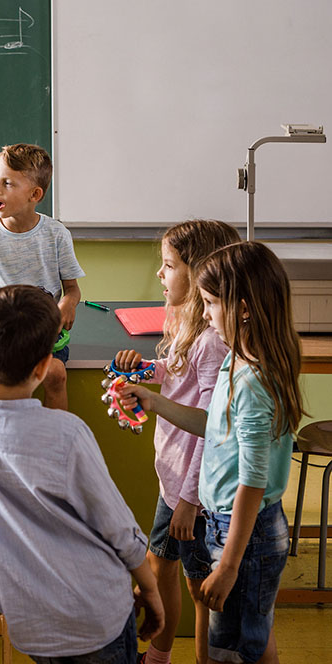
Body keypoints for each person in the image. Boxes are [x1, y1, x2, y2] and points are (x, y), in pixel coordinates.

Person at [0, 284, 164, 662]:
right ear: (43, 368)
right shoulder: (67, 434)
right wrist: (151, 592)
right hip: (95, 617)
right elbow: (119, 530)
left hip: (31, 622)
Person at [119, 242, 303, 664]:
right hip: (230, 528)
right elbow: (213, 426)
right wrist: (155, 401)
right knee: (243, 646)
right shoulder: (236, 361)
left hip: (245, 537)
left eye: (209, 303)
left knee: (234, 652)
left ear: (241, 308)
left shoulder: (254, 382)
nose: (203, 314)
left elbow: (253, 483)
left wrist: (229, 566)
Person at [111, 220, 239, 664]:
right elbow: (175, 373)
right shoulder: (185, 324)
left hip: (194, 491)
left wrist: (188, 501)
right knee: (160, 565)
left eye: (168, 266)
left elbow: (209, 426)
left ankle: (203, 658)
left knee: (199, 585)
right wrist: (146, 370)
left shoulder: (212, 344)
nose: (161, 276)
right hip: (174, 482)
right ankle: (158, 657)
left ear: (200, 271)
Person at [0, 143, 84, 410]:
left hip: (41, 333)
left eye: (8, 183)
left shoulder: (56, 234)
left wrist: (68, 305)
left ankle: (53, 443)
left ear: (34, 194)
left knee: (56, 375)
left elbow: (72, 289)